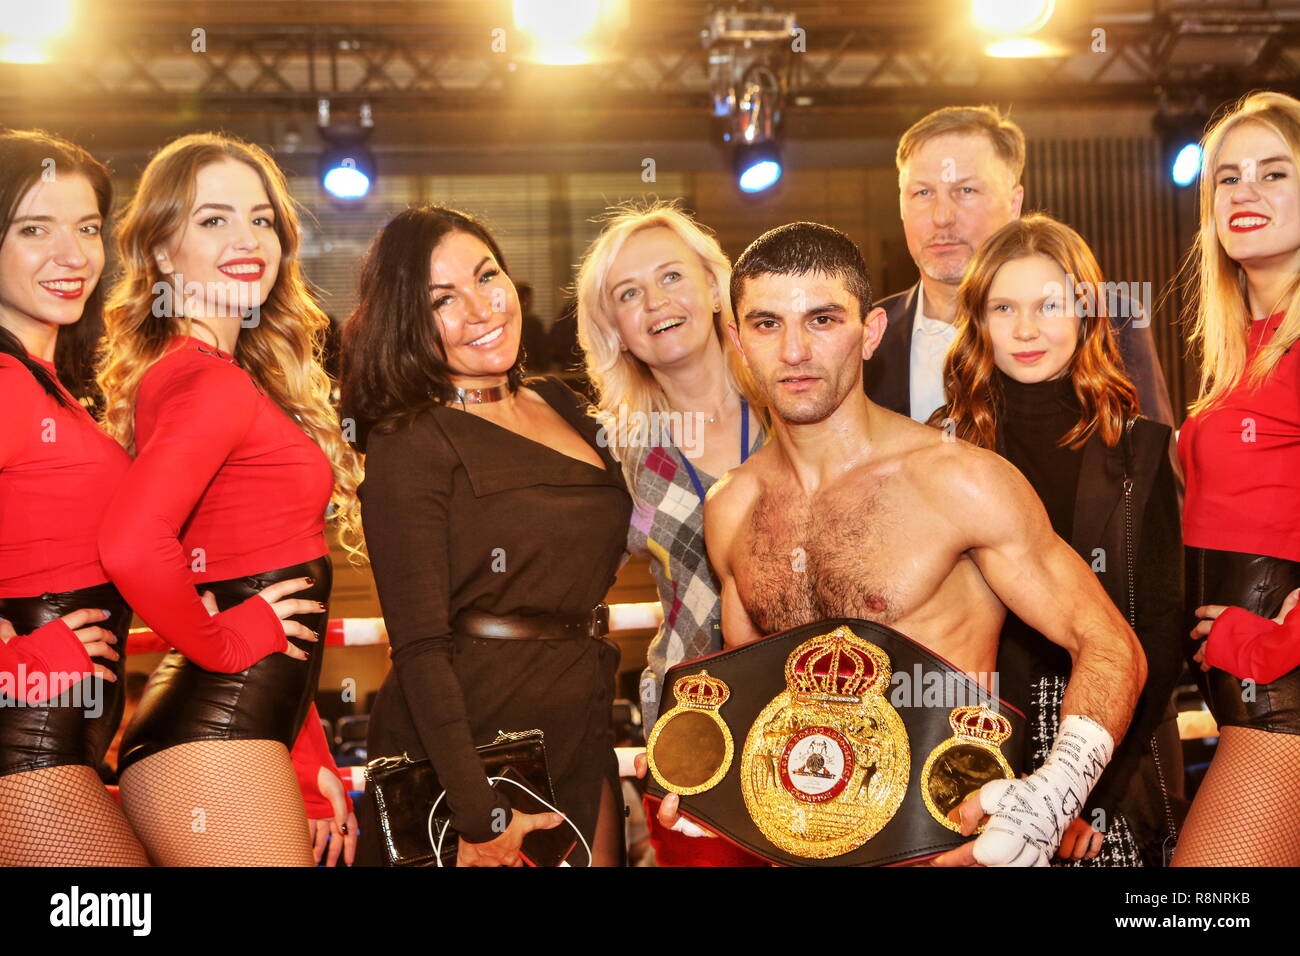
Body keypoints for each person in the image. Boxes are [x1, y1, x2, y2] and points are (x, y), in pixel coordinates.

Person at [699, 221, 1146, 866]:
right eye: (767, 324)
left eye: (823, 320)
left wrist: (1052, 797)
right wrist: (711, 791)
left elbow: (1109, 643)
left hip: (947, 853)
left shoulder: (958, 479)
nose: (794, 350)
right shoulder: (731, 507)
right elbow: (756, 695)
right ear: (737, 340)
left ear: (871, 331)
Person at [96, 132, 359, 866]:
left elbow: (256, 584)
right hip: (212, 739)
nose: (247, 239)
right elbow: (130, 543)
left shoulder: (217, 374)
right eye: (213, 220)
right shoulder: (206, 381)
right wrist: (222, 643)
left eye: (262, 219)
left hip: (238, 732)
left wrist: (309, 759)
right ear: (158, 254)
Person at [343, 205, 630, 867]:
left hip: (581, 715)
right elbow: (419, 647)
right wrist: (477, 811)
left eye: (487, 276)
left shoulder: (563, 402)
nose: (481, 308)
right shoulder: (408, 440)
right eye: (444, 299)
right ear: (410, 322)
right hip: (467, 752)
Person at [931, 213, 1185, 866]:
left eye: (1049, 305)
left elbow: (1157, 631)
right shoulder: (941, 450)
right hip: (976, 756)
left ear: (1088, 314)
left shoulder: (1143, 452)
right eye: (1003, 307)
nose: (1025, 328)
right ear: (978, 322)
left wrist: (1083, 794)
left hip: (1112, 762)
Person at [575, 200, 766, 865]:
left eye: (671, 276)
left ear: (715, 287)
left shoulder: (796, 400)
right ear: (616, 328)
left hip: (825, 716)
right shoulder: (616, 450)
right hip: (694, 730)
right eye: (629, 293)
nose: (655, 301)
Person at [0, 128, 148, 865]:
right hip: (23, 745)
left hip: (66, 741)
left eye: (87, 228)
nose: (74, 254)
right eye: (34, 229)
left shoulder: (52, 385)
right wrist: (21, 663)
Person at [870, 105, 1176, 433]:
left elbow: (1152, 472)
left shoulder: (1108, 319)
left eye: (966, 191)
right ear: (901, 205)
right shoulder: (864, 335)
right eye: (923, 192)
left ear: (1014, 204)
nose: (942, 215)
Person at [1178, 91, 1300, 866]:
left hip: (1285, 701)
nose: (1245, 191)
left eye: (1276, 172)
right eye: (1228, 177)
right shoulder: (1243, 352)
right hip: (1245, 704)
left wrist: (1275, 645)